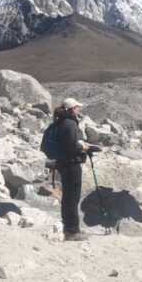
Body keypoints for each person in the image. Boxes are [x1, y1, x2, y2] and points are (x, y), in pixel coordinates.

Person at [54, 98, 91, 241]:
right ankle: (73, 231)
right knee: (73, 197)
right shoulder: (70, 123)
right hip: (71, 164)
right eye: (76, 107)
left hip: (63, 163)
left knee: (68, 196)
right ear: (72, 109)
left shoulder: (61, 121)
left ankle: (68, 226)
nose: (78, 109)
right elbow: (72, 146)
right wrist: (85, 148)